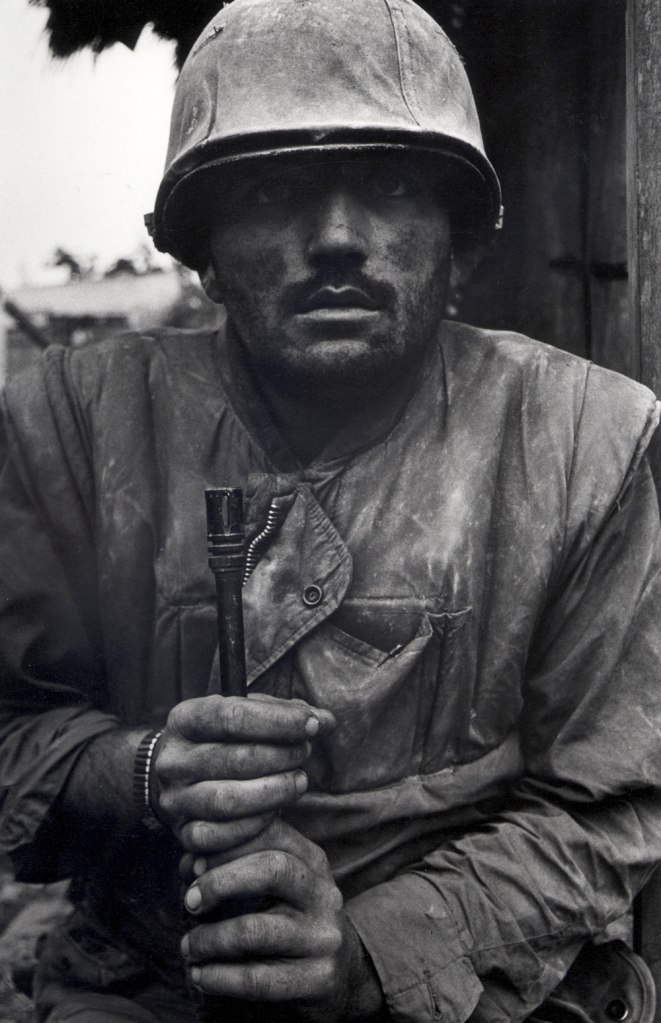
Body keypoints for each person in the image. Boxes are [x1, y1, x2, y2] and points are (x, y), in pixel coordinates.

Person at [2, 0, 661, 1020]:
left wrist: (374, 953)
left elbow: (606, 806)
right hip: (150, 980)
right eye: (271, 190)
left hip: (479, 982)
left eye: (393, 186)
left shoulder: (584, 440)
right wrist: (135, 772)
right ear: (203, 251)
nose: (338, 239)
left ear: (463, 247)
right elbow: (12, 733)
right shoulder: (67, 427)